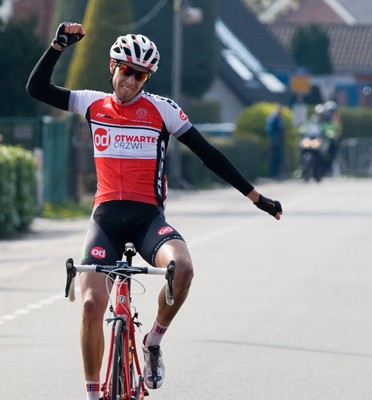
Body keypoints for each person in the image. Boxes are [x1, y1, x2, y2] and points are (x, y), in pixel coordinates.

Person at [26, 23, 283, 400]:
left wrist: (255, 197)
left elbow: (208, 154)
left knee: (185, 268)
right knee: (91, 305)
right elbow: (37, 89)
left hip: (149, 221)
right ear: (112, 67)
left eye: (140, 74)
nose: (131, 80)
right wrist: (58, 46)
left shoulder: (163, 111)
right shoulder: (90, 103)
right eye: (126, 70)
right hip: (106, 222)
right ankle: (94, 395)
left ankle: (153, 341)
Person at [265, 104, 286, 179]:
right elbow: (271, 130)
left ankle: (277, 174)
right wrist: (274, 139)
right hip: (275, 141)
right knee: (275, 158)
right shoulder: (274, 118)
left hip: (280, 141)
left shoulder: (280, 118)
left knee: (279, 158)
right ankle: (273, 174)